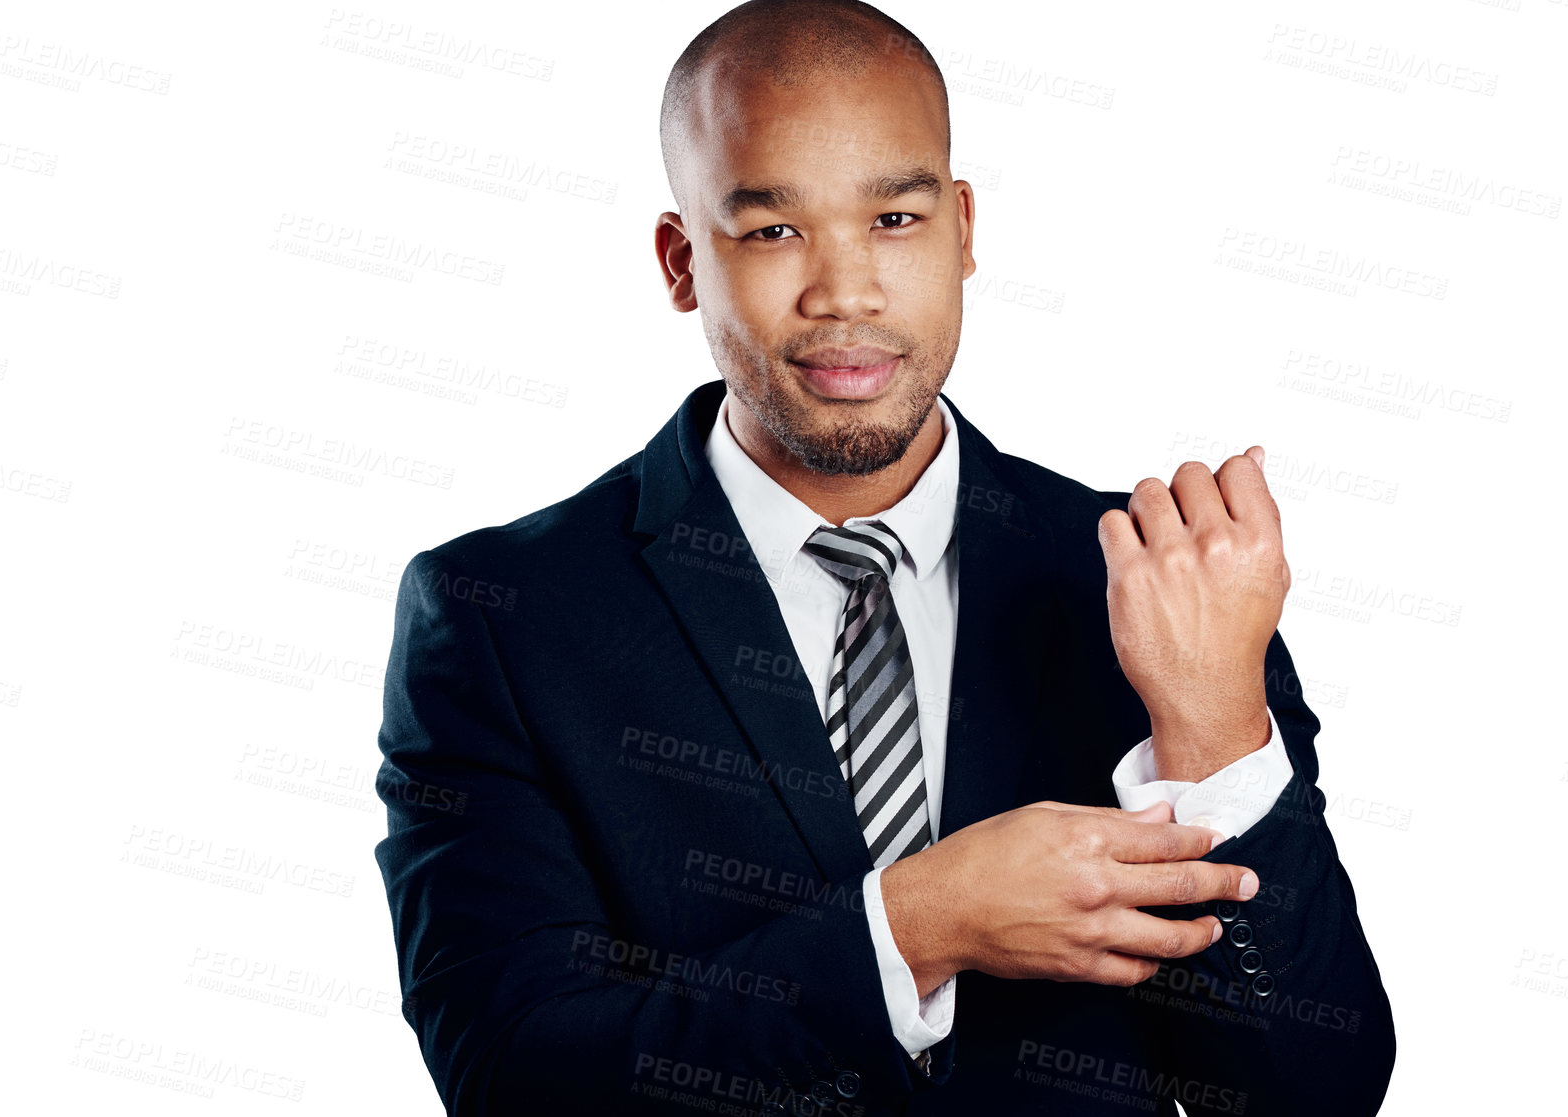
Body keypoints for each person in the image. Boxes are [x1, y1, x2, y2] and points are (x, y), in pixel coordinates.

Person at [373, 2, 1396, 1114]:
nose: (844, 293)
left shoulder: (1152, 579)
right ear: (680, 262)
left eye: (895, 219)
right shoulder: (506, 615)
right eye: (772, 231)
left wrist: (1208, 727)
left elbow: (1314, 1093)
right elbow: (513, 1074)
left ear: (962, 230)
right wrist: (916, 926)